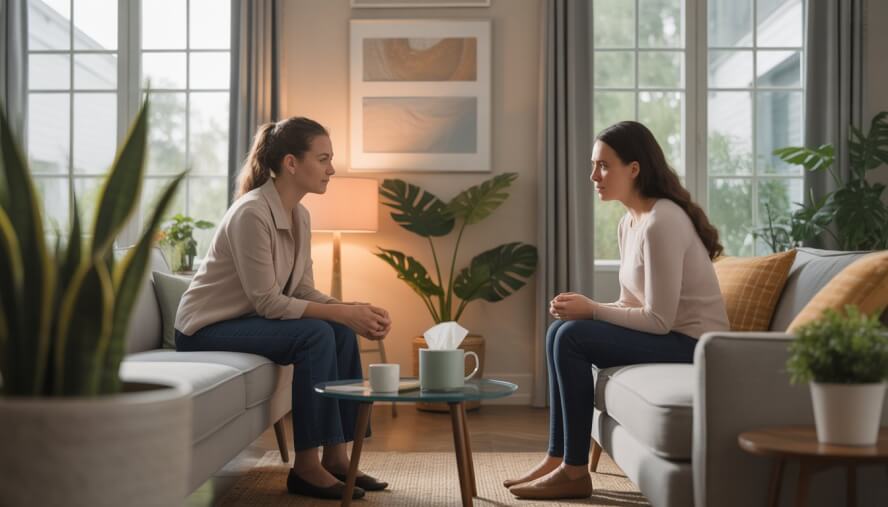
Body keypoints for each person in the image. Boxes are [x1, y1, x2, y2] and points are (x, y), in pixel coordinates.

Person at [506, 121, 730, 500]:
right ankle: (558, 456)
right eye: (594, 165)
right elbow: (631, 305)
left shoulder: (663, 221)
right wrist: (585, 307)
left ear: (635, 168)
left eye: (604, 166)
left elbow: (658, 321)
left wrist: (592, 309)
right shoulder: (630, 222)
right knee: (559, 331)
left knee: (572, 337)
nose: (594, 175)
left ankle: (575, 472)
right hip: (670, 336)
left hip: (693, 345)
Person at [174, 117, 392, 500]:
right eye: (323, 159)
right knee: (317, 333)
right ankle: (306, 468)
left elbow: (303, 289)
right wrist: (341, 314)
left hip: (248, 321)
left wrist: (353, 310)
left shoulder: (300, 215)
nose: (332, 169)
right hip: (204, 329)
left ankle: (338, 459)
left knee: (340, 331)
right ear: (292, 163)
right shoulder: (251, 213)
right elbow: (268, 302)